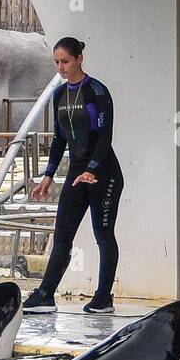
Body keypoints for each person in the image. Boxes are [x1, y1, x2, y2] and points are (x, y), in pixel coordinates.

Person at [24, 37, 123, 315]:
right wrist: (48, 175)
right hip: (77, 173)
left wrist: (92, 169)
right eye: (56, 62)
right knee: (63, 234)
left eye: (65, 61)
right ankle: (45, 294)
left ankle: (103, 297)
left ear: (79, 59)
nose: (61, 68)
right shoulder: (59, 95)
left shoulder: (97, 92)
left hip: (104, 173)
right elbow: (59, 139)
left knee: (103, 233)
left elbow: (105, 137)